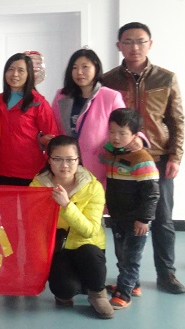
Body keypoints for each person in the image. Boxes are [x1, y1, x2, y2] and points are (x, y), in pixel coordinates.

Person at [101, 22, 185, 294]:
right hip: (122, 161)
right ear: (119, 46)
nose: (134, 47)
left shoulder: (166, 78)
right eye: (128, 42)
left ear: (150, 44)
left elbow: (176, 121)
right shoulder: (109, 80)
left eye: (140, 41)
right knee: (122, 221)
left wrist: (176, 156)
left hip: (158, 157)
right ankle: (128, 278)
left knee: (162, 219)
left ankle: (166, 273)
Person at [30, 135, 112, 319]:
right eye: (58, 159)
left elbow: (89, 230)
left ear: (78, 160)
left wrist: (67, 206)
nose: (64, 165)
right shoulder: (37, 187)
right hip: (59, 248)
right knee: (64, 289)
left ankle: (98, 294)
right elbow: (33, 226)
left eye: (70, 159)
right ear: (49, 160)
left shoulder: (93, 187)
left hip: (87, 245)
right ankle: (71, 289)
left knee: (90, 254)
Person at [100, 108, 160, 309]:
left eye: (122, 133)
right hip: (117, 215)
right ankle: (133, 285)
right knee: (122, 254)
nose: (116, 137)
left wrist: (144, 219)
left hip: (136, 219)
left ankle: (124, 294)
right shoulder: (111, 151)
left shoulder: (142, 159)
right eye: (112, 132)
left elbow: (152, 193)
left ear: (135, 135)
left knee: (131, 257)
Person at [51, 49, 127, 187]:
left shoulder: (110, 97)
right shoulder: (61, 96)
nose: (79, 72)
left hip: (98, 165)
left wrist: (138, 138)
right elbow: (54, 127)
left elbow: (125, 125)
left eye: (85, 67)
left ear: (96, 68)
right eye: (74, 68)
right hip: (66, 166)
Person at [0, 53, 58, 186]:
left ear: (29, 74)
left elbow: (53, 138)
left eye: (21, 70)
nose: (15, 74)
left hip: (29, 172)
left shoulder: (39, 103)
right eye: (10, 69)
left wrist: (51, 168)